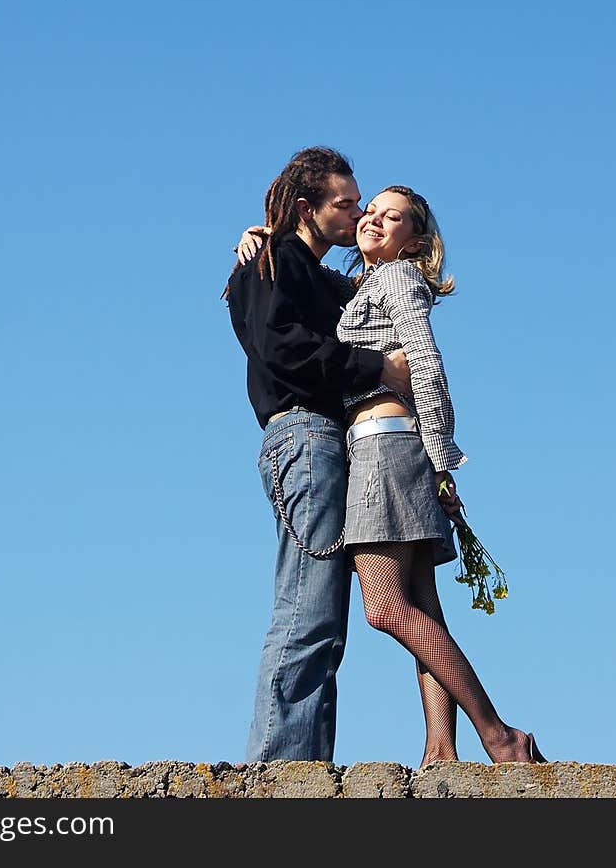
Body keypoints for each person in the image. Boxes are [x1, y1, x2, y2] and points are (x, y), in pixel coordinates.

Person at [334, 184, 545, 766]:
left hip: (384, 450)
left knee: (383, 609)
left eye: (392, 217)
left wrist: (441, 457)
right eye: (370, 211)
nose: (373, 221)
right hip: (389, 448)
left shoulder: (398, 279)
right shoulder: (368, 285)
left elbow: (426, 365)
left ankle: (499, 733)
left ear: (417, 240)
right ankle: (441, 751)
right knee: (423, 610)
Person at [224, 146, 411, 763]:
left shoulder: (313, 273)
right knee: (308, 607)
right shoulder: (275, 261)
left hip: (322, 442)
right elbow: (284, 350)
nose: (357, 213)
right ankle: (282, 773)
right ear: (308, 208)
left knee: (323, 616)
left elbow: (378, 287)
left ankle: (301, 766)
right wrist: (378, 367)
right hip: (305, 437)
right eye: (345, 203)